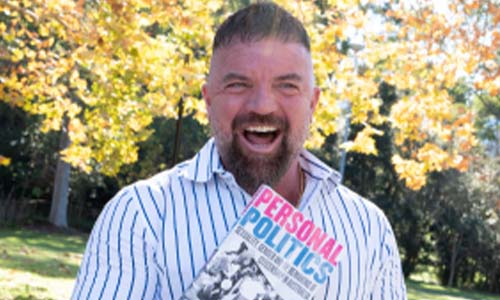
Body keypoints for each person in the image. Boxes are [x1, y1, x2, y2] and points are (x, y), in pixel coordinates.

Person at [72, 2, 407, 299]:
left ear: (313, 103)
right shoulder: (141, 214)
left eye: (287, 86)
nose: (262, 105)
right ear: (208, 99)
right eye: (238, 85)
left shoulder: (368, 228)